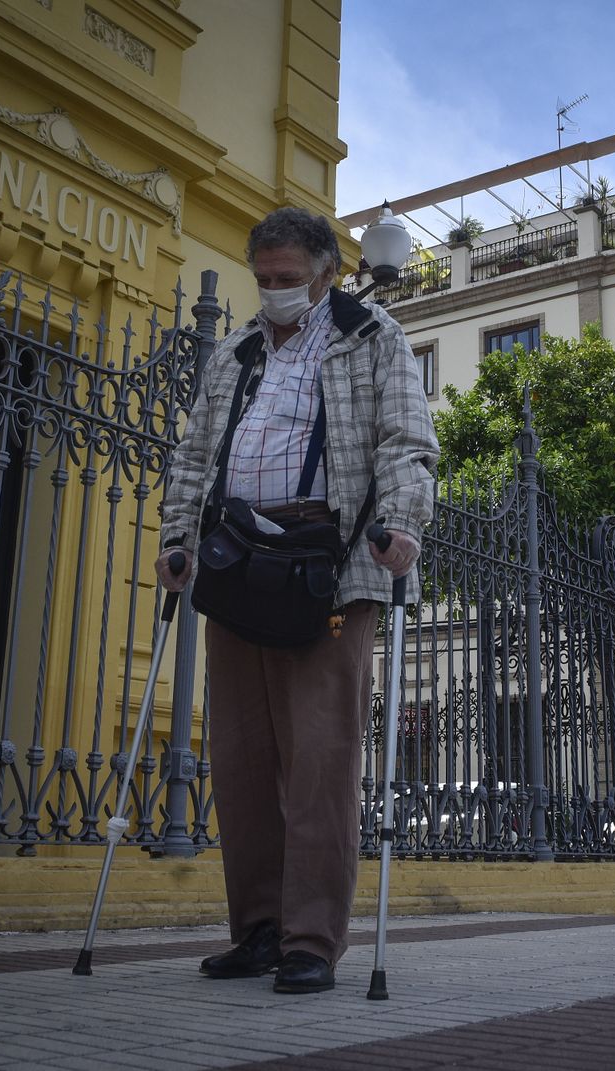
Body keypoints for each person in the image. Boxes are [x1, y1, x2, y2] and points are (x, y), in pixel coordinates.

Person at [156, 207, 438, 994]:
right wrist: (177, 536)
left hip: (333, 561)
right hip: (237, 555)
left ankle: (310, 938)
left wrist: (403, 522)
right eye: (265, 280)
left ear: (326, 273)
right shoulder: (236, 352)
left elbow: (406, 441)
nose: (276, 293)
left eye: (290, 280)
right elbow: (194, 455)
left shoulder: (370, 335)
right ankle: (256, 929)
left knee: (319, 756)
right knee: (242, 757)